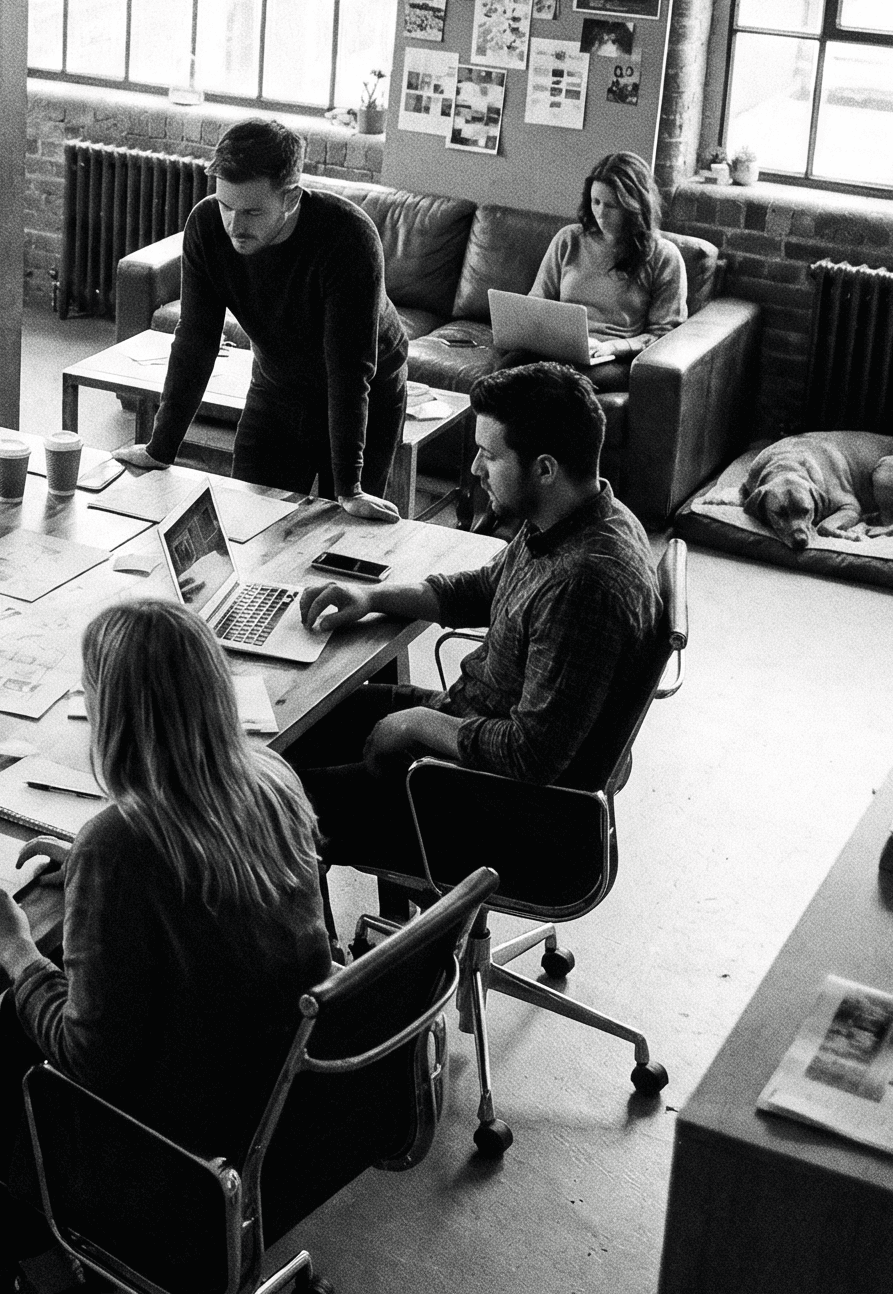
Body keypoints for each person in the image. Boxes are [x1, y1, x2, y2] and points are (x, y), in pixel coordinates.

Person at [0, 594, 332, 1264]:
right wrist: (86, 866)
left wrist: (14, 945)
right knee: (16, 1018)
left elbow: (88, 1059)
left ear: (113, 712)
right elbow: (195, 901)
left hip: (181, 1157)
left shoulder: (120, 845)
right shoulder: (272, 778)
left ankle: (60, 1253)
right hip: (281, 1111)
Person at [285, 363, 658, 896]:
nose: (476, 468)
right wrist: (371, 596)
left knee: (262, 803)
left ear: (545, 468)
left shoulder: (584, 584)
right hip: (470, 734)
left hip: (495, 808)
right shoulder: (576, 516)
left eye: (489, 454)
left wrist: (414, 725)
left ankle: (319, 962)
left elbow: (530, 756)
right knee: (297, 730)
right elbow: (483, 588)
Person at [116, 116, 406, 518]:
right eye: (225, 206)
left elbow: (349, 369)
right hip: (277, 385)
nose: (234, 226)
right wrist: (159, 449)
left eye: (251, 212)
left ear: (289, 199)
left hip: (365, 392)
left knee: (343, 538)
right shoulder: (205, 226)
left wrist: (351, 488)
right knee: (250, 519)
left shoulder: (349, 236)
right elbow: (196, 340)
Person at [528, 151, 686, 383]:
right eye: (595, 202)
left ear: (634, 206)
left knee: (560, 384)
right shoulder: (569, 239)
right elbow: (537, 299)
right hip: (560, 347)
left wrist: (615, 347)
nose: (600, 213)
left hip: (612, 357)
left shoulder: (663, 256)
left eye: (611, 205)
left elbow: (666, 334)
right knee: (506, 369)